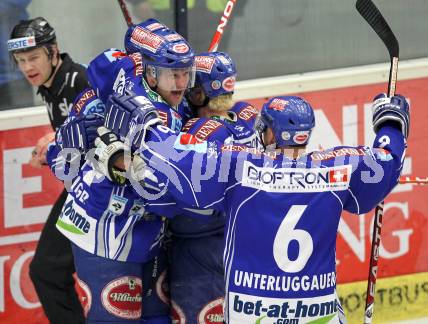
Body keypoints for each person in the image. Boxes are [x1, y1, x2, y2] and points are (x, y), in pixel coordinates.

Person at [99, 91, 409, 323]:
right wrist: (391, 125)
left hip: (252, 312)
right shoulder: (338, 168)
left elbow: (181, 162)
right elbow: (385, 163)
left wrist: (149, 129)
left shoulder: (240, 166)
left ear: (271, 132)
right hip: (318, 313)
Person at [45, 18, 198, 323]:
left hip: (147, 234)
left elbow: (106, 63)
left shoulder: (164, 96)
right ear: (150, 72)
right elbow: (64, 161)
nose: (181, 83)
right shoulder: (128, 108)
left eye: (186, 73)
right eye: (173, 74)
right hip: (104, 232)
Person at [166, 50, 259, 323]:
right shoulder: (248, 117)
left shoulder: (196, 130)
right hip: (241, 240)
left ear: (196, 94)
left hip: (196, 248)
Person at [7, 17, 88, 324]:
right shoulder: (49, 87)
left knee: (47, 270)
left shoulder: (78, 79)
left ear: (53, 52)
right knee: (46, 270)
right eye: (20, 60)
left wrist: (61, 136)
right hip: (80, 189)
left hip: (102, 193)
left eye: (34, 57)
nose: (27, 67)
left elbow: (111, 126)